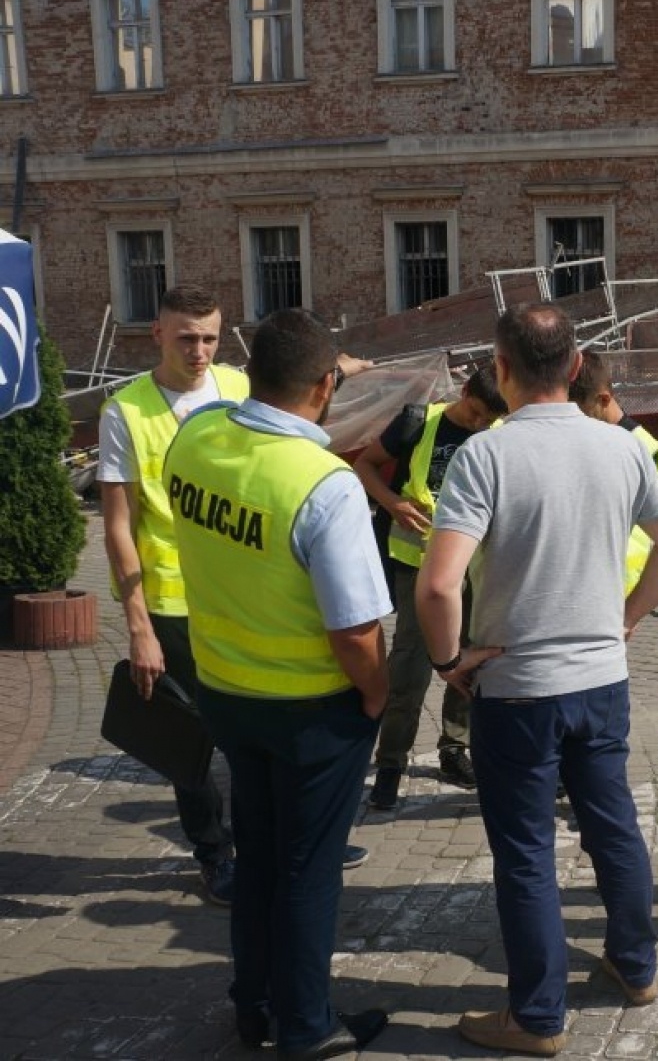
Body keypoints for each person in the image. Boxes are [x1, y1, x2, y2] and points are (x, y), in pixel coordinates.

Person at [416, 305, 658, 1057]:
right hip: (602, 678)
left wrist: (450, 662)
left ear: (500, 369)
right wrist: (628, 618)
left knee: (526, 852)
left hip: (517, 686)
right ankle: (635, 967)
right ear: (576, 368)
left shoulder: (486, 457)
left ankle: (538, 1017)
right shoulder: (622, 448)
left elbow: (438, 587)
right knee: (614, 827)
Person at [165, 308, 391, 1059]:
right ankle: (305, 1025)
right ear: (327, 385)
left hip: (227, 692)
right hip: (311, 711)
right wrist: (378, 695)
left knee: (257, 859)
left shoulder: (195, 437)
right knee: (307, 872)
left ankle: (254, 1005)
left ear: (248, 370)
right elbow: (356, 632)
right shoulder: (323, 484)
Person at [99, 285, 245, 905]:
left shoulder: (238, 389)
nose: (200, 350)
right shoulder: (125, 410)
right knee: (191, 737)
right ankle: (214, 853)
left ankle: (261, 841)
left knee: (250, 726)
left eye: (210, 337)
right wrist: (138, 627)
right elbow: (116, 526)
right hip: (172, 603)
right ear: (156, 333)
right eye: (186, 337)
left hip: (242, 595)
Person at [353, 363, 506, 809]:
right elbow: (365, 466)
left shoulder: (497, 434)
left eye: (489, 420)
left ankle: (454, 748)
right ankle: (390, 763)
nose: (479, 424)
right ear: (463, 391)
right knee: (410, 667)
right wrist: (394, 503)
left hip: (475, 568)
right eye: (475, 411)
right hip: (416, 565)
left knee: (469, 659)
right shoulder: (419, 422)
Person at [570, 350, 658, 594]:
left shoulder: (644, 447)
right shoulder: (593, 440)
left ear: (604, 400)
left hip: (623, 582)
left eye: (582, 412)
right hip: (596, 580)